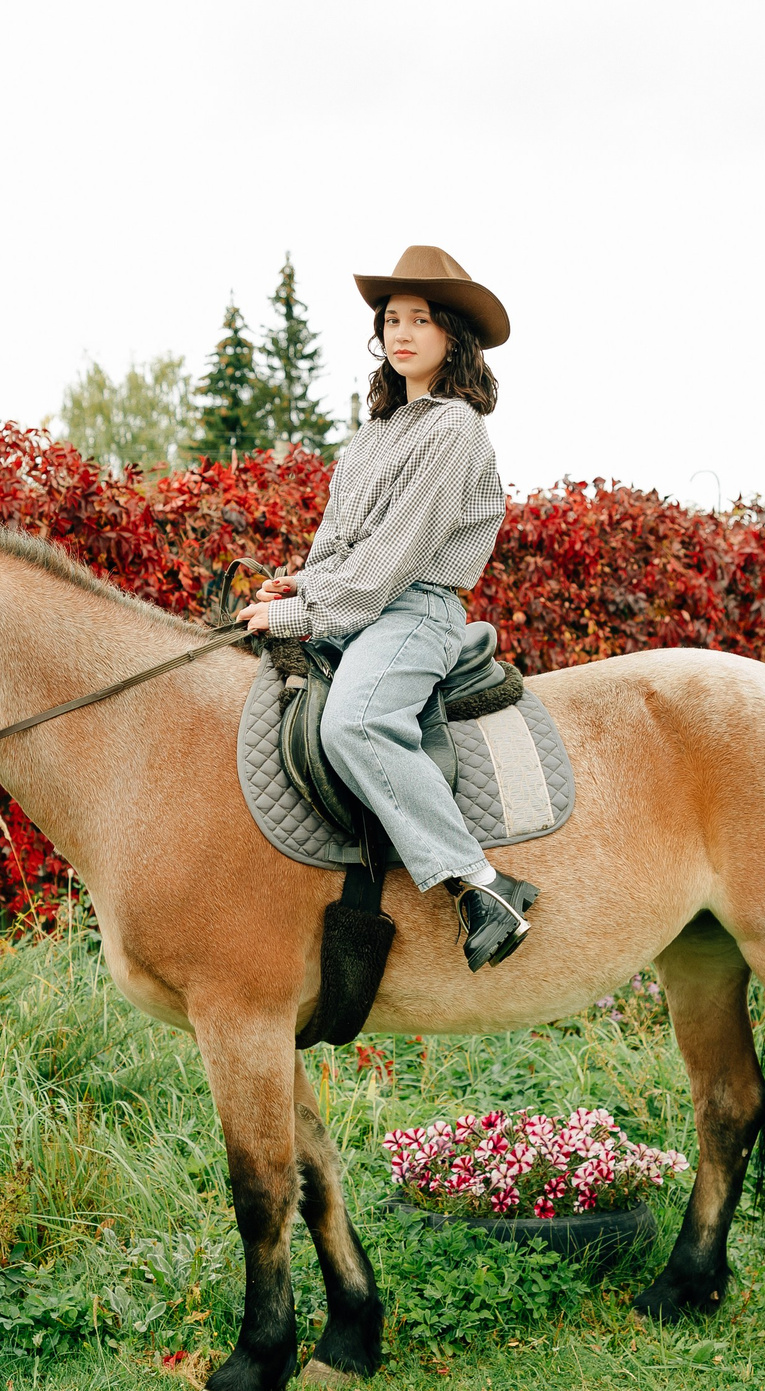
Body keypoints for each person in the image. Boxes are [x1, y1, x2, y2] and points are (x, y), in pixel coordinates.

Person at [244, 246, 538, 971]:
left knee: (355, 721)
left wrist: (301, 617)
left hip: (415, 612)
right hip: (362, 603)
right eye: (393, 319)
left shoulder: (455, 429)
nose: (401, 333)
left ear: (451, 336)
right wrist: (297, 586)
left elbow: (393, 559)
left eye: (420, 320)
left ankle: (482, 885)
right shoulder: (371, 436)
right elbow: (338, 547)